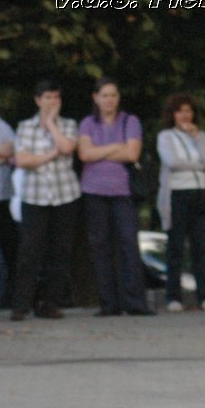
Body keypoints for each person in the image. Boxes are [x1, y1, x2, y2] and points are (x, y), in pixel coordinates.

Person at [10, 79, 82, 321]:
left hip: (65, 195)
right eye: (48, 97)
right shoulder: (25, 126)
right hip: (35, 196)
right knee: (29, 251)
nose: (52, 102)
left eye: (56, 98)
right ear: (38, 100)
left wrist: (51, 124)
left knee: (59, 251)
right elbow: (22, 161)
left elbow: (68, 147)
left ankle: (50, 303)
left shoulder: (69, 124)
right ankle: (21, 304)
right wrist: (52, 153)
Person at [77, 77, 149, 316]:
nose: (109, 100)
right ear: (95, 98)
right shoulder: (87, 123)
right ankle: (109, 304)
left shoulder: (131, 121)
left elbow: (132, 153)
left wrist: (101, 152)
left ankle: (136, 303)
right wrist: (115, 147)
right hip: (93, 191)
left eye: (113, 95)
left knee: (129, 245)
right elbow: (85, 154)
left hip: (123, 192)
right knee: (100, 247)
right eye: (104, 95)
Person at [156, 94, 205, 312]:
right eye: (180, 111)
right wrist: (196, 164)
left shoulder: (202, 136)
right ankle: (173, 296)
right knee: (175, 247)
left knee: (200, 248)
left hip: (201, 193)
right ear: (173, 114)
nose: (185, 115)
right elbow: (171, 161)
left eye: (188, 111)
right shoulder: (166, 136)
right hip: (177, 194)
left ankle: (204, 296)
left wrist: (198, 139)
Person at [0, 112, 17, 310]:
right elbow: (4, 153)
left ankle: (9, 297)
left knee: (9, 253)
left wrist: (5, 154)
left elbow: (12, 149)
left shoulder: (0, 124)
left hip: (0, 198)